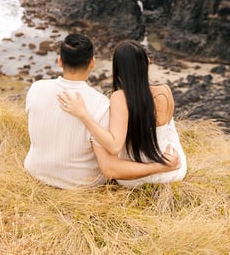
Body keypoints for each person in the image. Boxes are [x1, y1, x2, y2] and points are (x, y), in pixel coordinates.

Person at [24, 33, 180, 189]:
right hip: (79, 183)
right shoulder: (100, 105)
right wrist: (162, 165)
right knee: (167, 121)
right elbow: (111, 163)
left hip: (35, 171)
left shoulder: (35, 88)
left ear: (59, 61)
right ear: (92, 63)